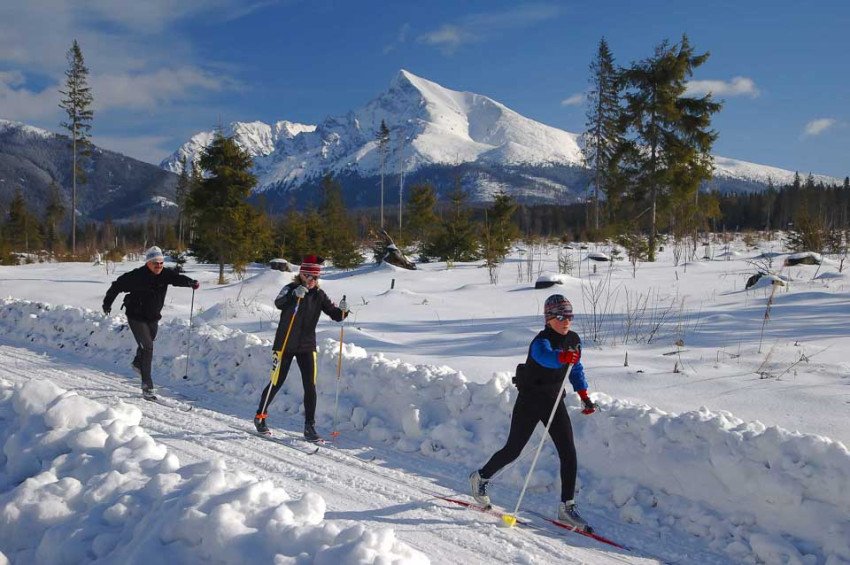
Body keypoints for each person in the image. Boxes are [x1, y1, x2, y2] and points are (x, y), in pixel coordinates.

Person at [469, 294, 598, 531]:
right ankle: (481, 477)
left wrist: (584, 396)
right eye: (560, 316)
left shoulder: (574, 339)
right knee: (513, 449)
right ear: (549, 318)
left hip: (554, 401)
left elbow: (576, 368)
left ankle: (566, 507)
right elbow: (546, 358)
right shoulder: (541, 341)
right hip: (530, 400)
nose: (565, 320)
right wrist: (562, 356)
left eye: (569, 315)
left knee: (568, 452)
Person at [254, 255, 349, 441]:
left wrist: (344, 311)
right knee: (276, 381)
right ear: (302, 275)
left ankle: (309, 427)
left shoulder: (319, 295)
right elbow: (279, 303)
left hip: (307, 345)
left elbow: (335, 314)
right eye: (309, 277)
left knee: (310, 386)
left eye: (316, 278)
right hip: (284, 344)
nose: (313, 281)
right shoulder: (290, 289)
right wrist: (293, 295)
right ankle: (260, 416)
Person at [102, 246, 199, 400]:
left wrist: (190, 283)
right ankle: (147, 386)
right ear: (148, 263)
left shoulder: (165, 274)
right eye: (155, 263)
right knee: (148, 348)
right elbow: (117, 286)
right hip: (136, 317)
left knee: (148, 343)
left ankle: (137, 363)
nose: (158, 266)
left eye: (160, 262)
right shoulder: (136, 276)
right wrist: (107, 304)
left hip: (153, 317)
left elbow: (177, 278)